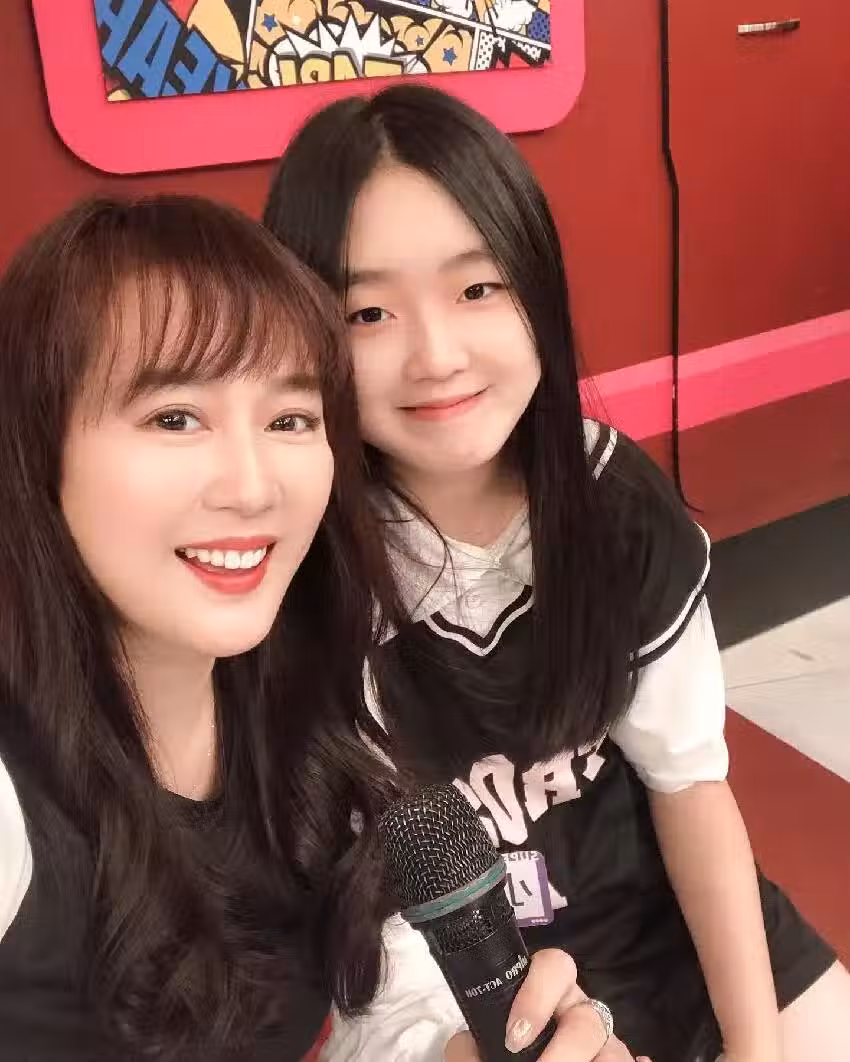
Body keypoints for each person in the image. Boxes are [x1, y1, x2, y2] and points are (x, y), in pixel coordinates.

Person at [264, 84, 850, 1062]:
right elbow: (363, 916)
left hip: (662, 927)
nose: (436, 356)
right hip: (469, 981)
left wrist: (755, 1049)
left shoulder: (616, 504)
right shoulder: (307, 567)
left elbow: (689, 786)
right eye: (367, 311)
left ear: (536, 287)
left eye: (477, 289)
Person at [0, 194, 645, 1062]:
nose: (253, 486)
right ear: (35, 454)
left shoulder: (319, 693)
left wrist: (453, 1051)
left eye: (290, 420)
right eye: (175, 418)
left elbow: (369, 994)